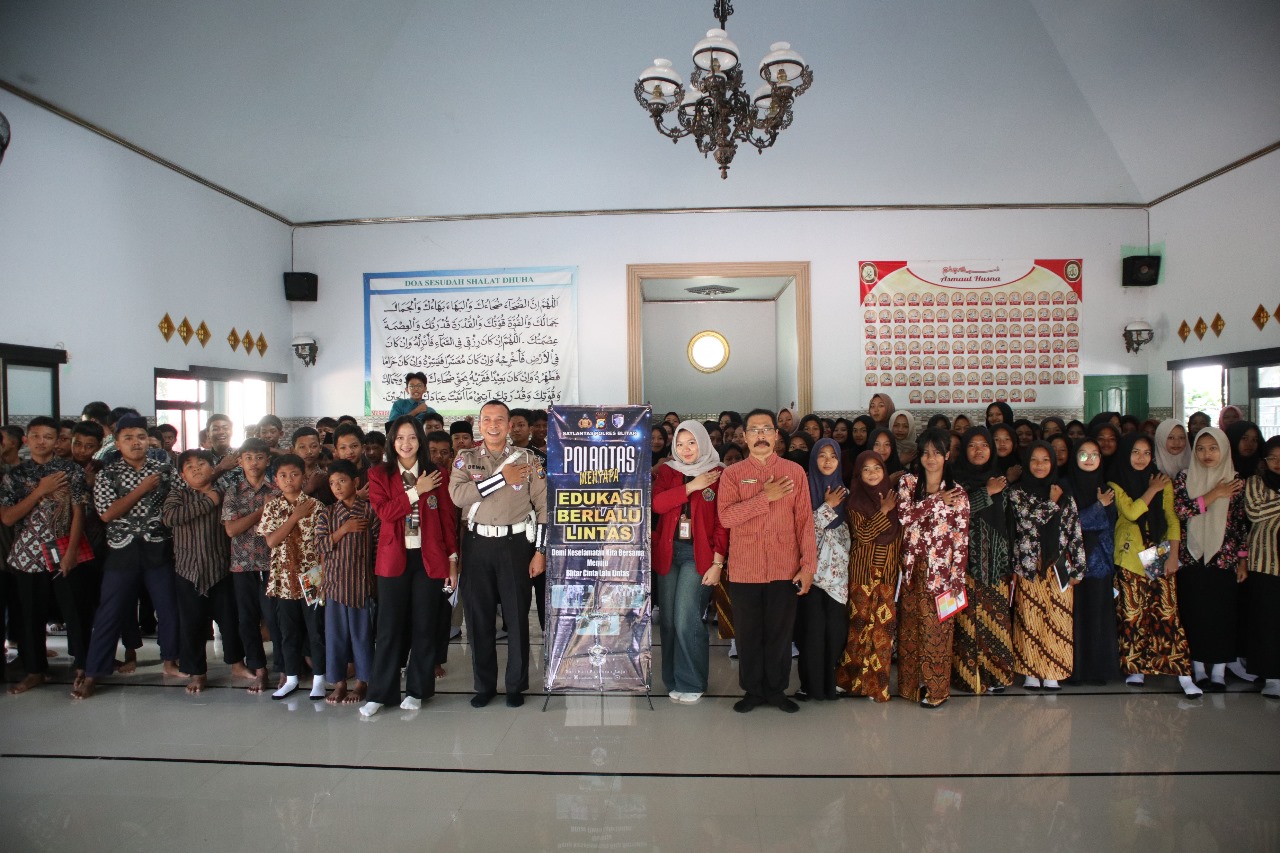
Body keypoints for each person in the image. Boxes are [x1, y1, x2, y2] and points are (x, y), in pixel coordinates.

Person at [72, 414, 181, 700]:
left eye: (141, 437)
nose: (136, 443)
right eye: (128, 438)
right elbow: (107, 513)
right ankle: (95, 670)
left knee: (167, 607)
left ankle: (170, 661)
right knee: (110, 612)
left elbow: (178, 500)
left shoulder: (164, 468)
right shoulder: (108, 473)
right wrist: (142, 489)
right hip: (122, 550)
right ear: (117, 443)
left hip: (158, 547)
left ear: (148, 440)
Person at [716, 408, 817, 713]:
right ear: (744, 437)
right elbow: (726, 517)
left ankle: (776, 690)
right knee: (748, 635)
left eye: (766, 430)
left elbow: (805, 524)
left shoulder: (794, 473)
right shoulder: (732, 475)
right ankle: (753, 691)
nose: (761, 436)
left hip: (784, 568)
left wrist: (808, 566)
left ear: (776, 435)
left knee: (779, 633)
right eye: (754, 430)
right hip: (746, 569)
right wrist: (765, 497)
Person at [449, 400, 546, 708]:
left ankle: (516, 684)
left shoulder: (528, 460)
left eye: (500, 419)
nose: (493, 424)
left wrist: (540, 551)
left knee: (518, 617)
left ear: (508, 425)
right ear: (480, 423)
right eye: (487, 419)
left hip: (516, 545)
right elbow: (458, 496)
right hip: (478, 545)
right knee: (479, 619)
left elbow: (544, 508)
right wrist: (502, 478)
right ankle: (484, 685)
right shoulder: (466, 459)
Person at [360, 419, 457, 716]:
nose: (406, 443)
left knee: (424, 628)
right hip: (393, 561)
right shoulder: (379, 474)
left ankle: (418, 689)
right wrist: (417, 491)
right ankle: (380, 693)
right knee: (388, 629)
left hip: (429, 560)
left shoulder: (437, 474)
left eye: (412, 437)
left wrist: (453, 561)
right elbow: (386, 513)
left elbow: (447, 520)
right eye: (400, 438)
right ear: (392, 441)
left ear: (420, 441)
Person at [0, 416, 88, 694]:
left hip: (63, 549)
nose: (42, 442)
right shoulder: (14, 475)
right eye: (36, 436)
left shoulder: (70, 471)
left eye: (48, 437)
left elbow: (78, 513)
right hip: (27, 554)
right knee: (30, 614)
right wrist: (40, 491)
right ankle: (34, 670)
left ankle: (84, 668)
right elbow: (8, 518)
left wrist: (72, 551)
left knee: (75, 613)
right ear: (26, 440)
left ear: (57, 441)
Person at [1109, 434, 1200, 696]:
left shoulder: (1163, 481)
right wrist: (1152, 490)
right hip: (1129, 553)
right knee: (1132, 615)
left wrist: (1173, 555)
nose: (1141, 458)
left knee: (1167, 613)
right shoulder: (1116, 483)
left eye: (1146, 453)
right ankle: (1136, 668)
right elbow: (1132, 512)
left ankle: (1183, 673)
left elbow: (1171, 519)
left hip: (1157, 551)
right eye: (1135, 452)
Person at [652, 420, 727, 704]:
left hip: (700, 556)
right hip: (668, 553)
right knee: (669, 622)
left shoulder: (720, 473)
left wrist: (718, 563)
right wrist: (691, 486)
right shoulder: (669, 472)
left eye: (692, 443)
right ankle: (672, 679)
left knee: (686, 618)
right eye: (680, 444)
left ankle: (692, 681)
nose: (686, 449)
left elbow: (723, 523)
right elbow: (657, 504)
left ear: (704, 443)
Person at [896, 428, 969, 708]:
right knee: (911, 628)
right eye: (926, 452)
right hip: (912, 568)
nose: (931, 458)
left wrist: (957, 579)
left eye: (937, 452)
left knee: (937, 630)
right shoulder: (908, 482)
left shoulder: (958, 492)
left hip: (942, 571)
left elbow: (961, 539)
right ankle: (911, 686)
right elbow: (904, 516)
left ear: (947, 455)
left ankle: (936, 690)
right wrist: (935, 500)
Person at [1006, 441, 1086, 690]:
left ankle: (1053, 671)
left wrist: (1079, 569)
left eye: (1045, 460)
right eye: (1034, 460)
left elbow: (1075, 532)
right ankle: (1031, 672)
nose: (1040, 465)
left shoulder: (1065, 494)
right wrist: (1051, 503)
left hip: (1059, 567)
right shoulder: (1017, 493)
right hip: (1029, 565)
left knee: (1058, 618)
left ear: (1053, 463)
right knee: (1029, 619)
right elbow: (1028, 523)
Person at [1173, 427, 1248, 691]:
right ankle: (1198, 669)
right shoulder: (1184, 477)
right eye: (1201, 448)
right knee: (1194, 614)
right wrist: (1215, 493)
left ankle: (1218, 672)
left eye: (1213, 448)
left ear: (1224, 450)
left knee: (1222, 615)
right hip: (1191, 558)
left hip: (1223, 558)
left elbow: (1240, 523)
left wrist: (1241, 559)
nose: (1207, 454)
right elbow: (1182, 510)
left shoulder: (1236, 480)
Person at [161, 449, 239, 695]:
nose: (196, 468)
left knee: (229, 622)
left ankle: (237, 664)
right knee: (192, 625)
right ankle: (197, 672)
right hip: (188, 570)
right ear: (183, 475)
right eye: (189, 466)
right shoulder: (178, 495)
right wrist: (208, 502)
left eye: (201, 463)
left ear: (212, 468)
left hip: (220, 567)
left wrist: (215, 498)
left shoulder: (225, 492)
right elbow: (170, 518)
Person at [949, 428, 1014, 695]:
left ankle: (997, 675)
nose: (978, 450)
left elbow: (1010, 524)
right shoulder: (954, 481)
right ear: (964, 450)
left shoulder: (1001, 481)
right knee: (966, 624)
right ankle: (967, 676)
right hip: (963, 565)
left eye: (984, 445)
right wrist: (986, 492)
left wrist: (1009, 565)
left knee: (995, 622)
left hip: (995, 564)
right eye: (973, 445)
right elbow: (954, 513)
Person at [257, 454, 325, 700]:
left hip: (312, 575)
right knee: (288, 629)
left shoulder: (316, 506)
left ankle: (319, 678)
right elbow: (272, 540)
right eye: (283, 475)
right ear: (275, 479)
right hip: (284, 577)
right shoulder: (273, 506)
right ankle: (292, 677)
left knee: (315, 628)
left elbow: (323, 544)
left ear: (304, 477)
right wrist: (295, 516)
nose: (289, 480)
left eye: (294, 474)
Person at [835, 450, 900, 701]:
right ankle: (848, 680)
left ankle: (876, 685)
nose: (872, 473)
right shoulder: (855, 502)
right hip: (862, 575)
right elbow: (862, 534)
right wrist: (883, 510)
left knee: (883, 633)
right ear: (858, 474)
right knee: (858, 629)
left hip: (887, 575)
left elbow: (900, 537)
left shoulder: (896, 500)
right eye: (866, 469)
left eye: (877, 468)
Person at [315, 460, 380, 707]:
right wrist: (343, 530)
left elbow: (377, 548)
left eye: (342, 481)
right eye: (332, 483)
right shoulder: (328, 513)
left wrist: (375, 583)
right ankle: (339, 682)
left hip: (361, 585)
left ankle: (363, 681)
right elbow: (319, 545)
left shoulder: (370, 511)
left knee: (362, 636)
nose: (337, 487)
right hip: (334, 587)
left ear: (355, 482)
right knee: (335, 636)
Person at [794, 438, 850, 701]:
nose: (827, 461)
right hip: (810, 574)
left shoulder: (847, 494)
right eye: (822, 456)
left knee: (836, 633)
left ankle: (831, 684)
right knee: (811, 634)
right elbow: (800, 530)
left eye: (833, 456)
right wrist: (826, 508)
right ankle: (809, 686)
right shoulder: (802, 491)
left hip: (838, 578)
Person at [221, 437, 277, 694]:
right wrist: (260, 513)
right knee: (247, 620)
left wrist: (254, 518)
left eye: (259, 457)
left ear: (267, 460)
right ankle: (259, 669)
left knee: (275, 618)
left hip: (273, 563)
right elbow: (232, 529)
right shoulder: (233, 492)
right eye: (249, 458)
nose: (254, 463)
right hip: (242, 566)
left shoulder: (276, 490)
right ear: (240, 461)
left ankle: (285, 668)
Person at [1065, 438, 1119, 685]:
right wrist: (1097, 507)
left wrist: (1098, 510)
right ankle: (1073, 670)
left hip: (1100, 561)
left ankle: (1096, 671)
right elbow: (1067, 525)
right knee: (1073, 617)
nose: (1089, 459)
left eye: (1094, 454)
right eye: (1083, 455)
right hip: (1072, 564)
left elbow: (1110, 524)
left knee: (1097, 617)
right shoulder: (1065, 486)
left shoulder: (1107, 488)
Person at [1244, 436, 1280, 697]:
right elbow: (1254, 513)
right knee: (1267, 621)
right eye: (1272, 458)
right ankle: (1270, 675)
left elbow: (1264, 510)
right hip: (1264, 562)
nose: (1277, 463)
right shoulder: (1256, 482)